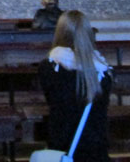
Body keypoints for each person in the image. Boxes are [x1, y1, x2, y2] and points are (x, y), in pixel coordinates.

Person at [38, 10, 113, 162]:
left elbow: (51, 98)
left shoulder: (49, 67)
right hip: (95, 148)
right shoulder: (103, 71)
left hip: (62, 146)